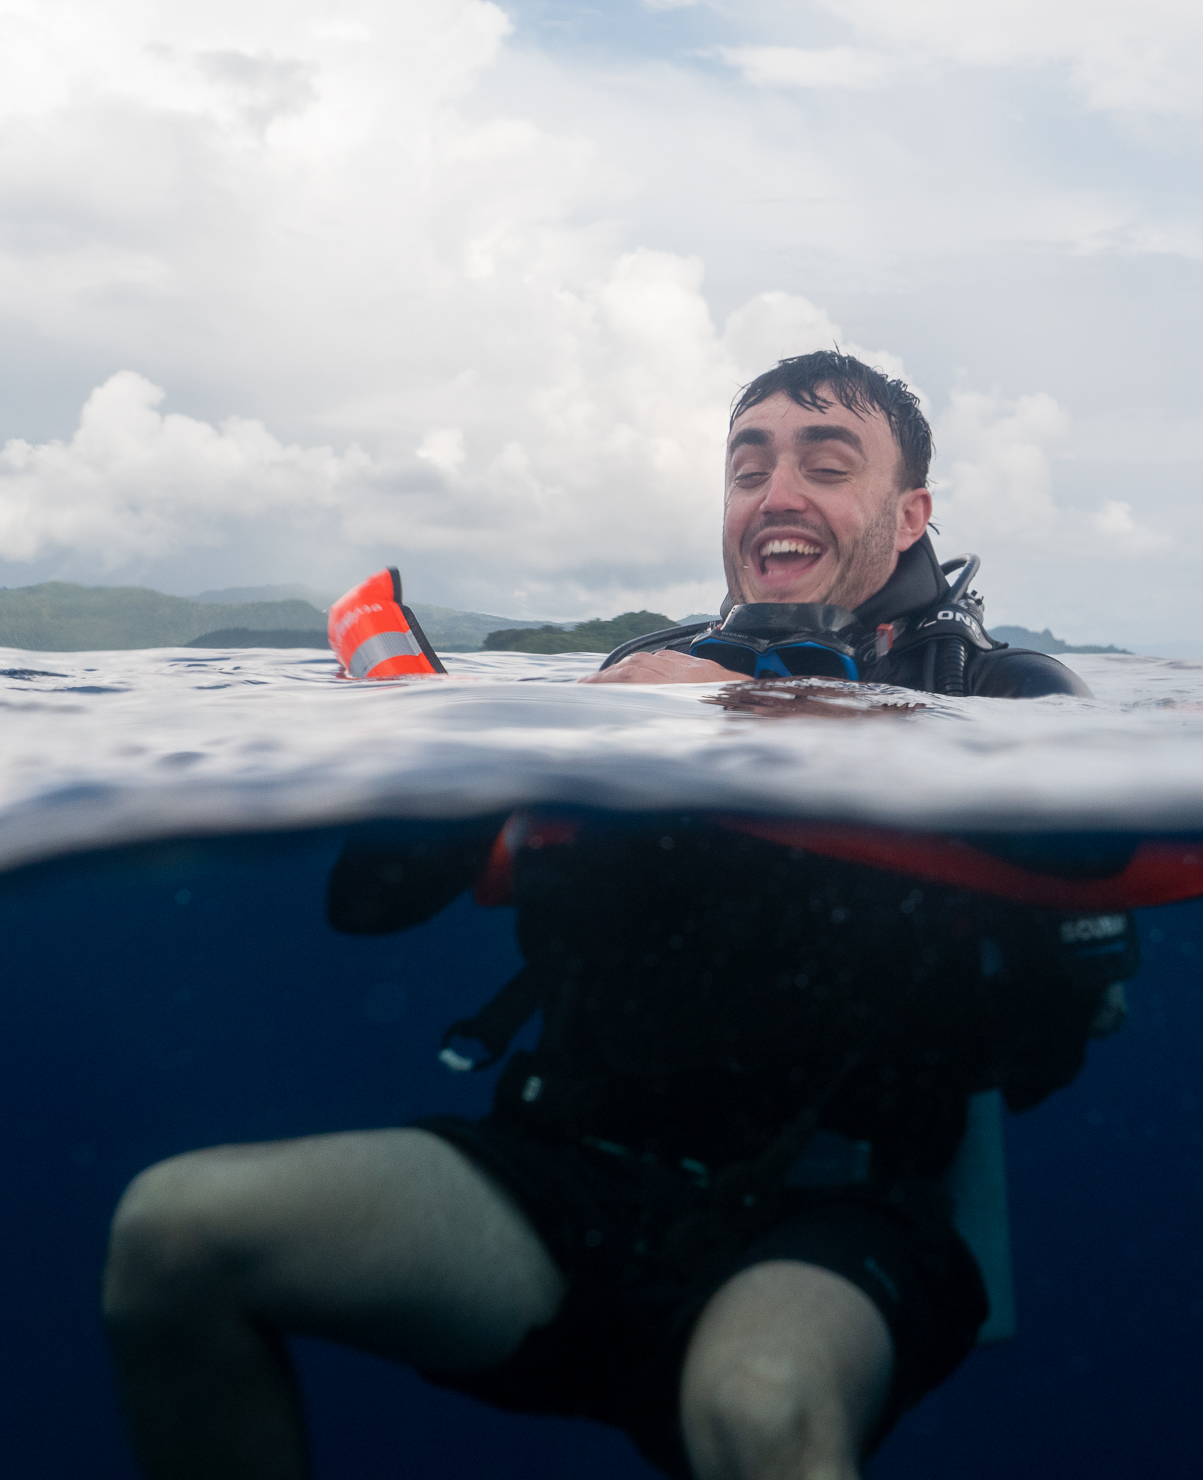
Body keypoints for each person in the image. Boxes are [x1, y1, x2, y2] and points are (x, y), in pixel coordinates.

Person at [100, 352, 1126, 1480]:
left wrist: (759, 713)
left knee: (756, 1405)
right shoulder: (645, 674)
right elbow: (369, 903)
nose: (776, 495)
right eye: (747, 469)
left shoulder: (1002, 688)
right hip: (569, 1184)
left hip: (847, 1212)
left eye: (827, 467)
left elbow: (1094, 849)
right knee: (172, 1233)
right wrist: (468, 750)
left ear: (911, 514)